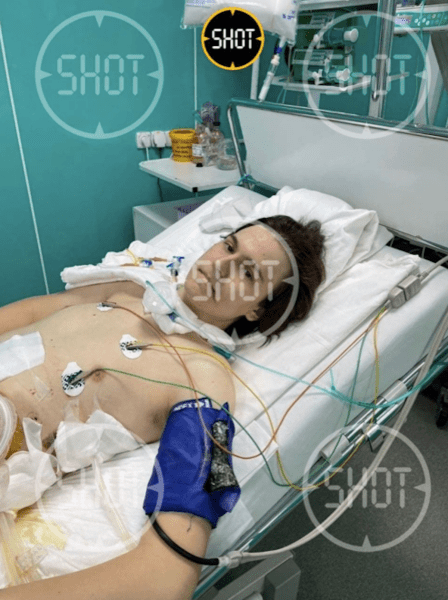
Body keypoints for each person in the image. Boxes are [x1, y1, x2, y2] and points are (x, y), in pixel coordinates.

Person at [0, 216, 325, 600]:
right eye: (228, 245)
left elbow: (167, 576)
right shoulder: (129, 287)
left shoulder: (204, 379)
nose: (220, 265)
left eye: (248, 272)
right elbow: (32, 313)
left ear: (257, 311)